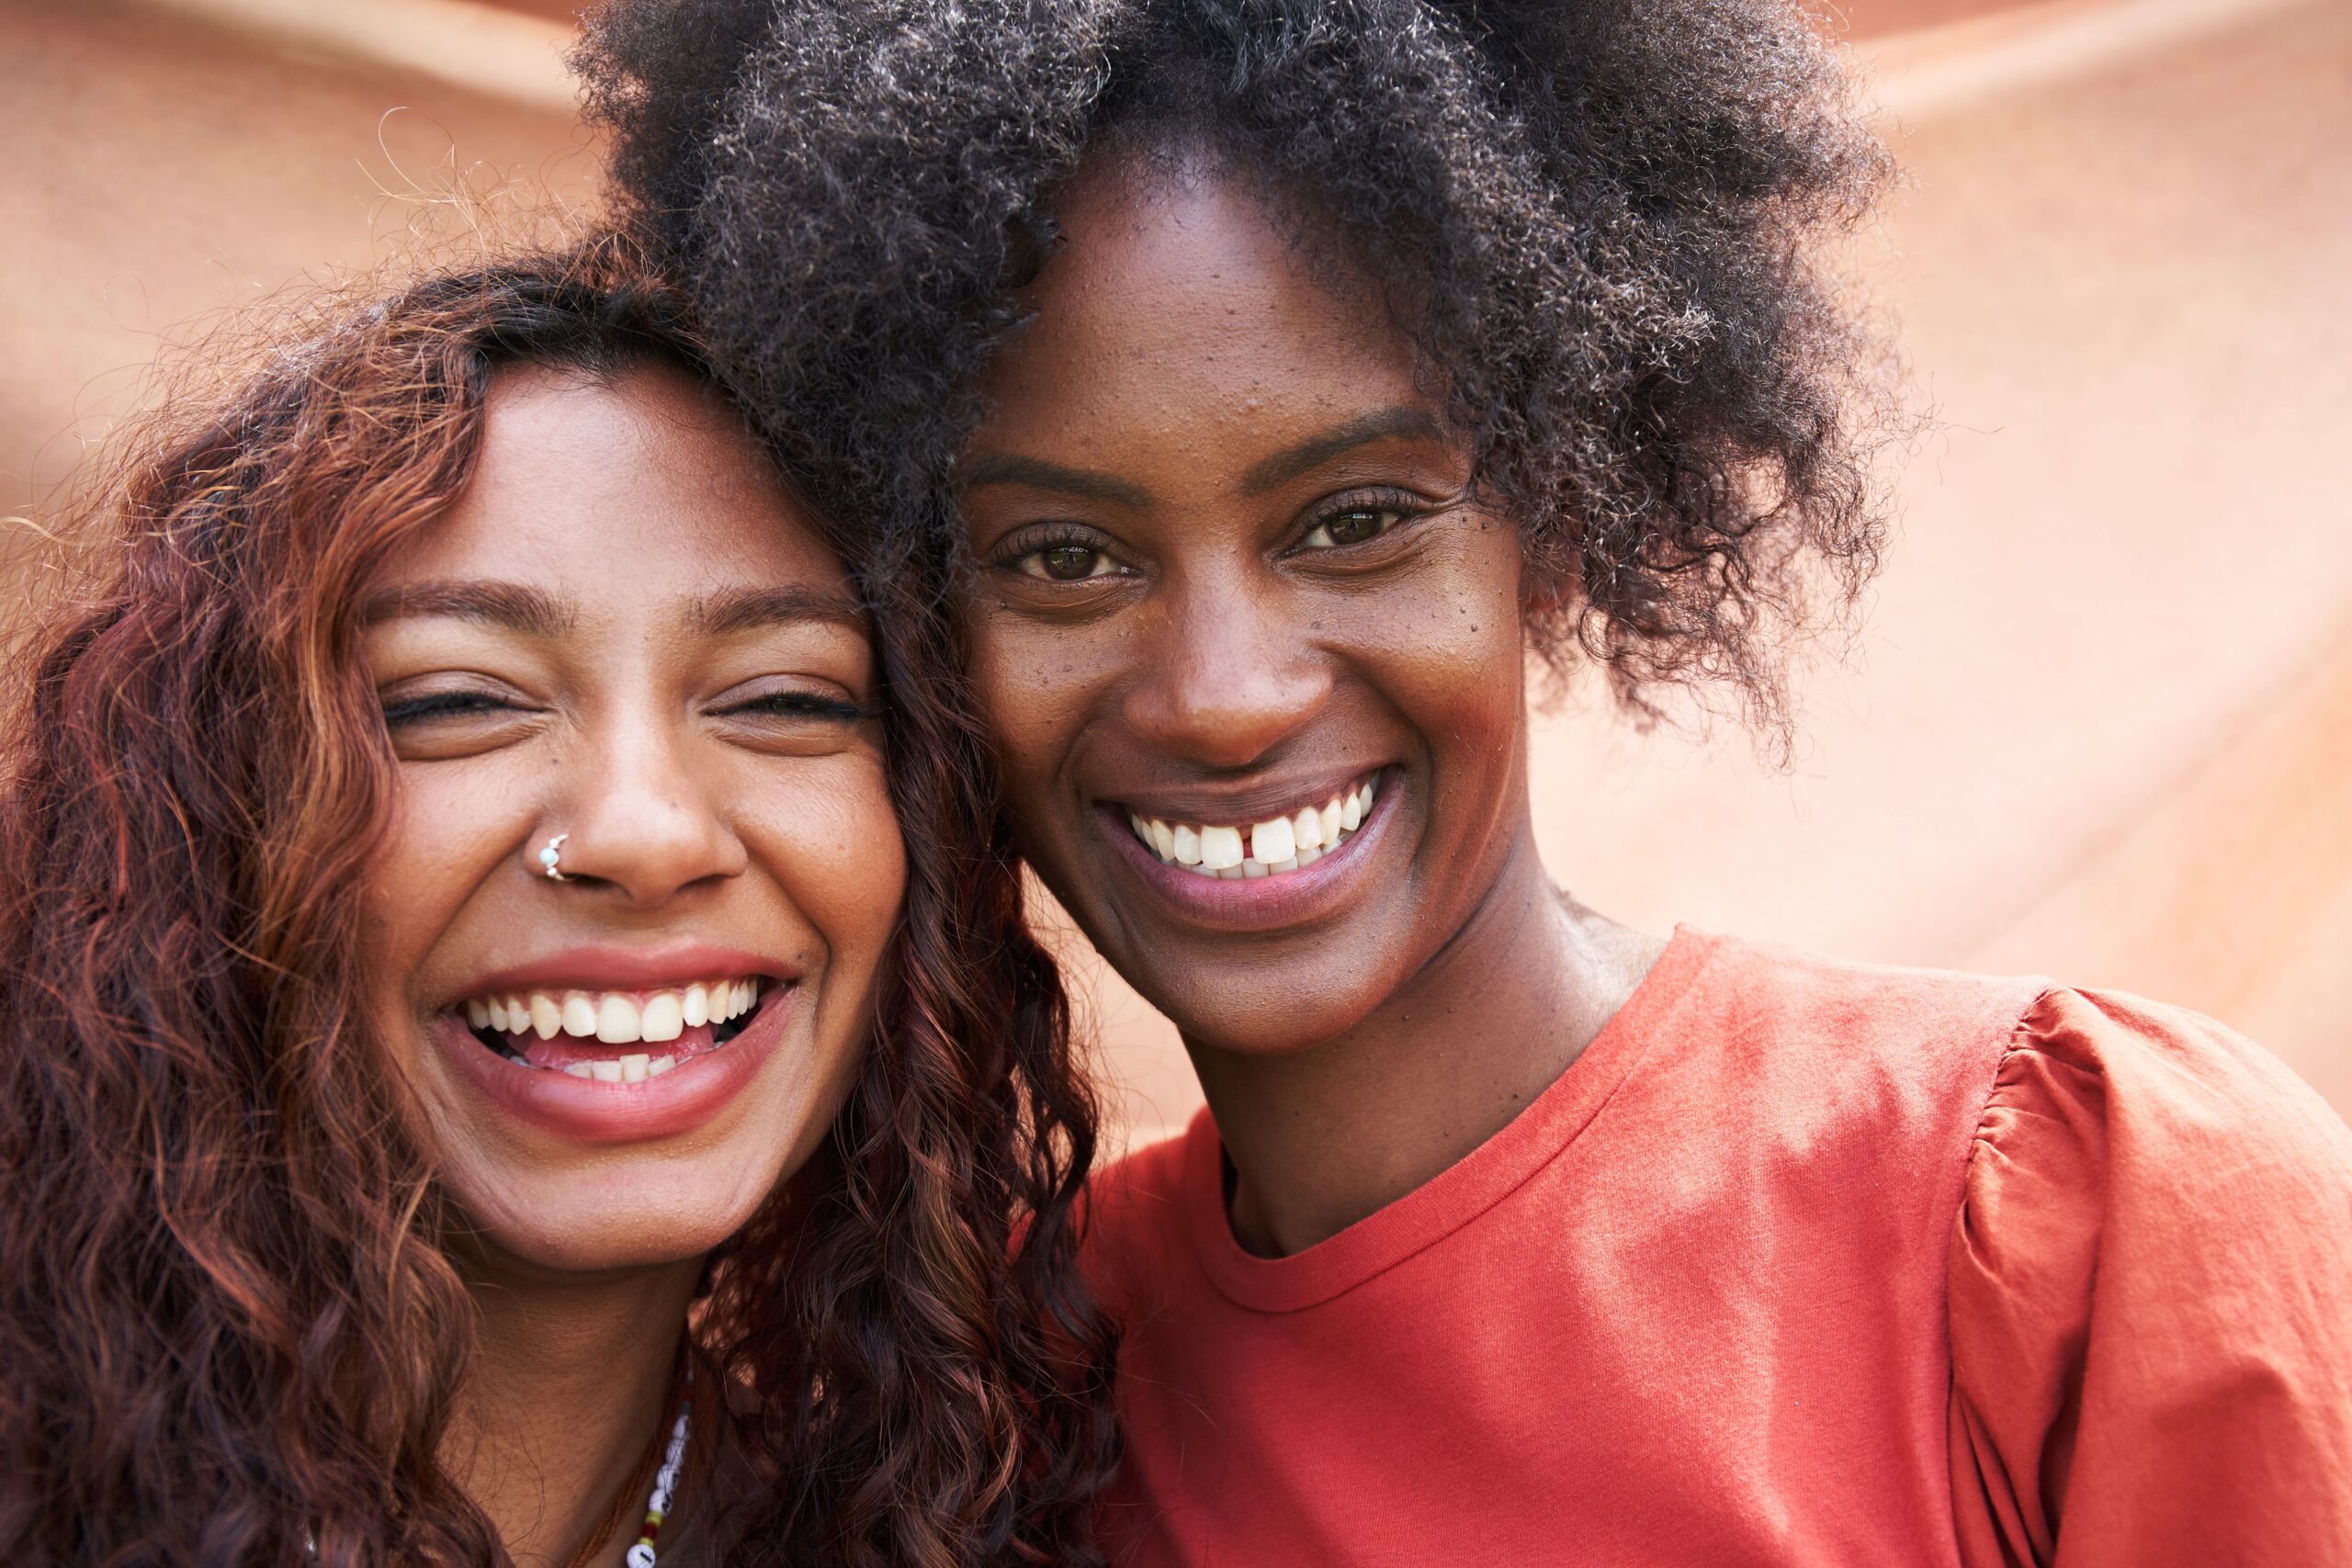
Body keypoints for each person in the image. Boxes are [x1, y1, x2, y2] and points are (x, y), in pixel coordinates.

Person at [582, 2, 2352, 1563]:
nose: (1223, 698)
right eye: (1059, 558)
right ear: (921, 626)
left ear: (1561, 525)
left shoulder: (2071, 1225)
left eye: (1355, 522)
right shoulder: (985, 1420)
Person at [0, 244, 1115, 1566]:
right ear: (207, 814)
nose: (646, 834)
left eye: (782, 700)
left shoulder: (947, 1521)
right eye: (456, 701)